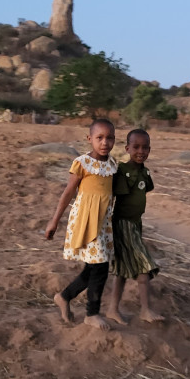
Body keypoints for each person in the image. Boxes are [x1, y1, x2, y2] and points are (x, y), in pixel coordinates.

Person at [44, 119, 117, 330]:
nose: (105, 142)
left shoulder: (112, 165)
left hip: (103, 223)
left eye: (110, 137)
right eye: (99, 138)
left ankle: (65, 296)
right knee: (100, 267)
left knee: (95, 266)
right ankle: (91, 314)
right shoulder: (82, 163)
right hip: (86, 220)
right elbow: (68, 193)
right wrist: (54, 221)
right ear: (89, 139)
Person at [106, 129, 164, 324]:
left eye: (145, 147)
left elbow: (144, 190)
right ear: (127, 148)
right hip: (123, 225)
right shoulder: (122, 171)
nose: (141, 151)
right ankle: (146, 310)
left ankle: (112, 309)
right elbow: (114, 197)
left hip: (136, 225)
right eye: (136, 147)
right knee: (144, 267)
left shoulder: (144, 172)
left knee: (122, 270)